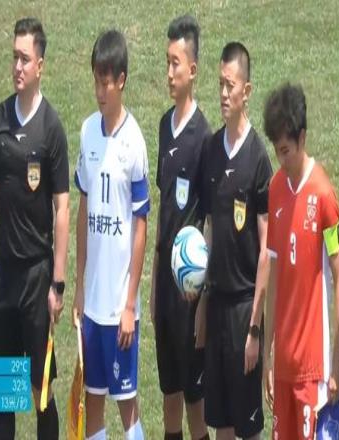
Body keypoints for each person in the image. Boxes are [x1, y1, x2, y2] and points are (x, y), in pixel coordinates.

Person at [0, 17, 69, 440]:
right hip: (6, 274)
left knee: (40, 391)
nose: (17, 66)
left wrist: (58, 284)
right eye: (14, 57)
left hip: (37, 277)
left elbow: (62, 207)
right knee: (2, 394)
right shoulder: (0, 116)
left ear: (40, 66)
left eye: (25, 59)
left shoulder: (51, 127)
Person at [72, 29, 149, 440]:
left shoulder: (134, 142)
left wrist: (129, 304)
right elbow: (84, 209)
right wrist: (79, 288)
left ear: (121, 80)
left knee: (128, 404)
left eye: (106, 83)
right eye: (95, 82)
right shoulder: (87, 132)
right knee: (94, 402)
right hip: (92, 305)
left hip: (119, 306)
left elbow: (141, 225)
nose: (100, 92)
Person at [262, 82, 339, 440]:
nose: (281, 160)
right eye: (276, 151)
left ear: (302, 138)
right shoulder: (275, 189)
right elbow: (274, 275)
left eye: (286, 150)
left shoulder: (324, 195)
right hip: (283, 366)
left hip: (313, 368)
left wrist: (335, 361)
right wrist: (268, 353)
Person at [199, 42, 272, 440]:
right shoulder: (212, 149)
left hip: (244, 309)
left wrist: (255, 328)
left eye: (230, 85)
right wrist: (201, 302)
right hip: (216, 304)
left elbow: (266, 251)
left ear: (247, 90)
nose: (224, 94)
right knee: (222, 422)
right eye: (220, 85)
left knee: (247, 427)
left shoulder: (258, 158)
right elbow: (209, 227)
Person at [150, 15, 211, 440]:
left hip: (190, 292)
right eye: (167, 62)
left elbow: (209, 221)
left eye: (176, 63)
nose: (169, 72)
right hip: (165, 291)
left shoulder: (204, 137)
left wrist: (202, 295)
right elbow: (163, 210)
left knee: (195, 403)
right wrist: (155, 284)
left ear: (193, 69)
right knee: (169, 395)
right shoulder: (163, 126)